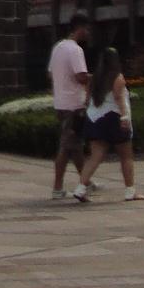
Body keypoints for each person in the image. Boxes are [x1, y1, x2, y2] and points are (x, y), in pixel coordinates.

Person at [72, 47, 144, 202]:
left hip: (95, 118)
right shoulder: (117, 77)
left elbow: (87, 100)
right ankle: (130, 190)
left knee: (95, 156)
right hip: (114, 118)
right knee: (126, 156)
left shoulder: (94, 79)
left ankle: (81, 188)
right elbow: (119, 98)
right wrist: (125, 117)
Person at [48, 12, 92, 199]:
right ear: (80, 28)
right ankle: (58, 187)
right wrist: (97, 78)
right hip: (74, 104)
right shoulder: (75, 50)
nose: (88, 33)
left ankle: (86, 181)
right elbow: (81, 76)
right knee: (66, 147)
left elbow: (51, 73)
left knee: (75, 146)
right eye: (87, 29)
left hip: (60, 102)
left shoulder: (58, 47)